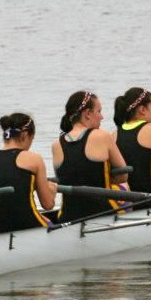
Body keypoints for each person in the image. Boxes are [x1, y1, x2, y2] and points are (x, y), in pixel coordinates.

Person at [51, 91, 128, 221]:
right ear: (87, 114)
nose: (102, 117)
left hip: (67, 216)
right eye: (99, 111)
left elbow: (63, 178)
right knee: (125, 187)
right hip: (103, 212)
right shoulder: (102, 135)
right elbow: (123, 175)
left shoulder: (56, 144)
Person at [0, 113, 56, 233]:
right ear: (25, 135)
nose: (30, 145)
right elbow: (48, 205)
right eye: (32, 139)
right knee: (51, 222)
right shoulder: (35, 159)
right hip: (31, 226)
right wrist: (52, 191)